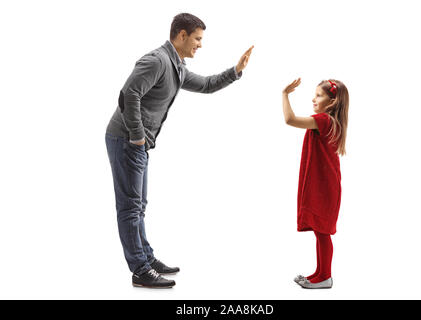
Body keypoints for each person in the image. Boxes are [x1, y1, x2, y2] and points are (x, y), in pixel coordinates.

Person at [105, 13, 253, 289]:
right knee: (130, 207)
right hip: (125, 139)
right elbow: (129, 94)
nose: (200, 44)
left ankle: (146, 258)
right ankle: (139, 269)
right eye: (197, 39)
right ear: (181, 35)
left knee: (139, 206)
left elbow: (207, 85)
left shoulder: (177, 66)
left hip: (137, 143)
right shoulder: (157, 60)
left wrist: (236, 71)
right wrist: (137, 136)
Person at [282, 78, 349, 289]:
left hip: (325, 187)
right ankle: (320, 273)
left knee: (323, 232)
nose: (313, 99)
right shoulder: (329, 121)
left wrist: (284, 94)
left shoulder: (324, 120)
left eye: (319, 95)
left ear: (332, 102)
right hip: (325, 185)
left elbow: (290, 119)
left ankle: (325, 277)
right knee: (321, 232)